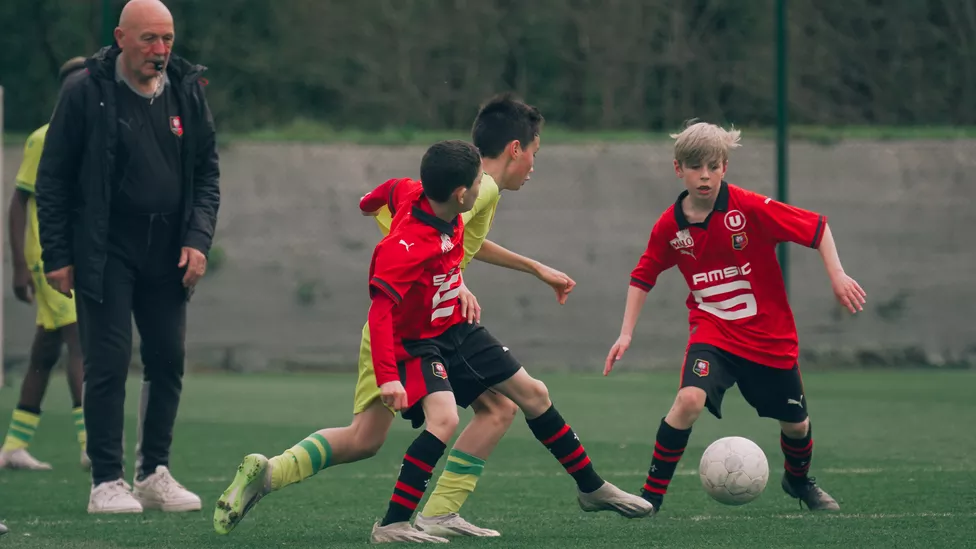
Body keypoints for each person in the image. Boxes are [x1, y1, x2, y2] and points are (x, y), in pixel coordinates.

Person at [214, 94, 576, 538]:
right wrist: (392, 369)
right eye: (534, 153)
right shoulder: (463, 205)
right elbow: (411, 274)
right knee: (475, 412)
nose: (531, 166)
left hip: (408, 330)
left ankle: (269, 473)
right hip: (406, 336)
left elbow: (386, 201)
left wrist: (460, 268)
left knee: (366, 438)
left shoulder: (422, 191)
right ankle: (411, 518)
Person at [366, 140, 652, 543]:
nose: (484, 184)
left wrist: (368, 206)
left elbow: (381, 194)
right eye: (478, 180)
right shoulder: (403, 248)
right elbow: (379, 312)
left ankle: (591, 487)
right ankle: (393, 523)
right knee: (444, 419)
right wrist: (388, 378)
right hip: (418, 343)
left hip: (457, 327)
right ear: (461, 194)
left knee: (533, 394)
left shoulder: (419, 194)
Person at [603, 121, 866, 513]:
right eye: (695, 167)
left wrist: (838, 274)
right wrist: (626, 333)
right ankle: (650, 497)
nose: (704, 176)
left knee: (796, 425)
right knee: (688, 400)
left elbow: (817, 228)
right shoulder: (670, 227)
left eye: (712, 166)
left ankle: (798, 481)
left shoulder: (751, 208)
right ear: (679, 169)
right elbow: (643, 276)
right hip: (714, 334)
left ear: (725, 167)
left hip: (769, 337)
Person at [35, 0, 220, 514]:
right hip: (104, 248)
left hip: (168, 251)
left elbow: (207, 174)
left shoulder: (187, 90)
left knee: (167, 359)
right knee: (109, 362)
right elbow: (52, 181)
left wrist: (197, 240)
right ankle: (105, 481)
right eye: (149, 40)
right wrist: (57, 254)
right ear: (121, 37)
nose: (160, 52)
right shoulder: (83, 93)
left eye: (168, 40)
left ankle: (154, 472)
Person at [1, 57, 89, 473]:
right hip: (49, 260)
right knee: (80, 339)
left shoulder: (86, 137)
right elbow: (19, 202)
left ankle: (14, 445)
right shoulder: (44, 138)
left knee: (46, 349)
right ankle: (93, 443)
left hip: (75, 257)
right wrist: (20, 264)